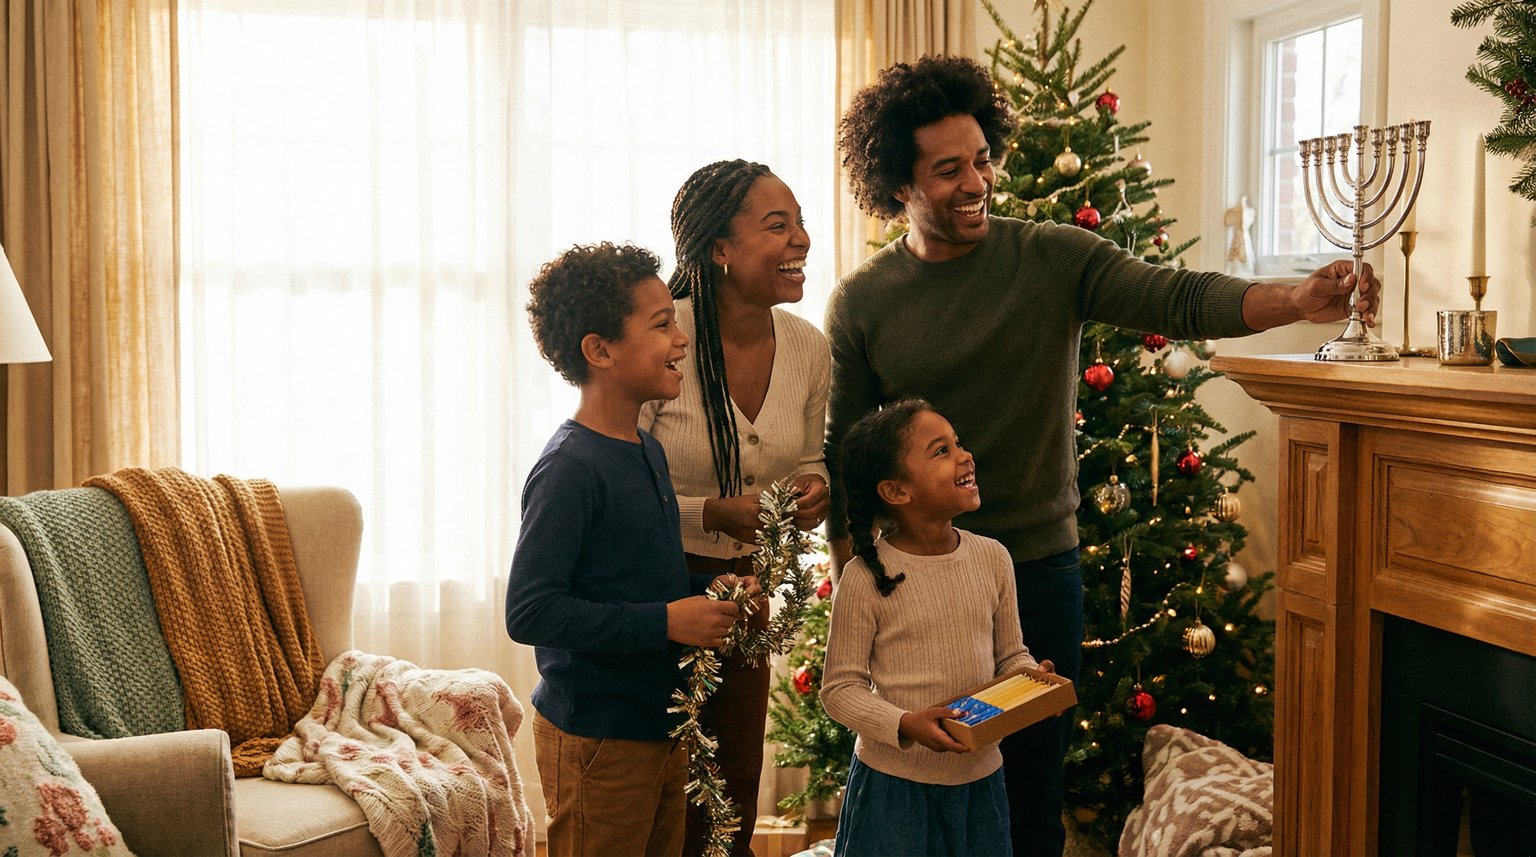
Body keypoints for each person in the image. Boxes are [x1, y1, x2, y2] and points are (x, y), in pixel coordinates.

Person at [825, 55, 1381, 857]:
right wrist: (860, 582)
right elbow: (845, 455)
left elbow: (1177, 296)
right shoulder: (863, 301)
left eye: (982, 158)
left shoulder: (1052, 257)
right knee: (920, 805)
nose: (976, 181)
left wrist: (1295, 298)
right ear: (897, 183)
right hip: (914, 582)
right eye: (948, 170)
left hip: (1035, 575)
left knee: (1027, 803)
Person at [505, 241, 745, 857]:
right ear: (600, 350)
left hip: (660, 724)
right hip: (599, 738)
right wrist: (667, 622)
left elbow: (638, 581)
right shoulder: (569, 469)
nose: (682, 339)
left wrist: (705, 595)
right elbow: (530, 612)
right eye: (662, 325)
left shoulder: (647, 449)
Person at [640, 159, 832, 856]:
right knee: (655, 781)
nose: (801, 239)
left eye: (800, 223)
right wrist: (712, 513)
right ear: (720, 247)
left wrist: (815, 488)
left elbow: (809, 456)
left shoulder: (808, 347)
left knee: (733, 779)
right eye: (777, 225)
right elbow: (617, 488)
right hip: (652, 589)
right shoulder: (665, 338)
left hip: (747, 590)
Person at [820, 398, 1048, 857]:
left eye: (958, 443)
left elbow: (1011, 655)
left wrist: (1031, 683)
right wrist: (905, 724)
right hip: (893, 790)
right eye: (942, 451)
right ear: (896, 491)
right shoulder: (865, 578)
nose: (965, 456)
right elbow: (839, 690)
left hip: (981, 784)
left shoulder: (993, 558)